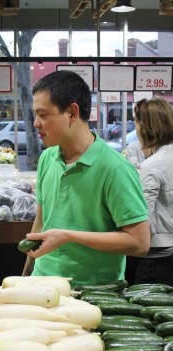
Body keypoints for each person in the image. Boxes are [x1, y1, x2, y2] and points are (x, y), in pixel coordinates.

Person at [22, 70, 150, 286]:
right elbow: (41, 222)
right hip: (41, 286)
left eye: (43, 115)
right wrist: (25, 276)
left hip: (93, 294)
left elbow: (139, 243)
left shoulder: (115, 168)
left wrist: (69, 236)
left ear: (72, 112)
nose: (36, 123)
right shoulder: (47, 158)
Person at [133, 97, 173, 285]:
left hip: (158, 259)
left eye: (138, 125)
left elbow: (144, 219)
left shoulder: (153, 164)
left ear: (147, 128)